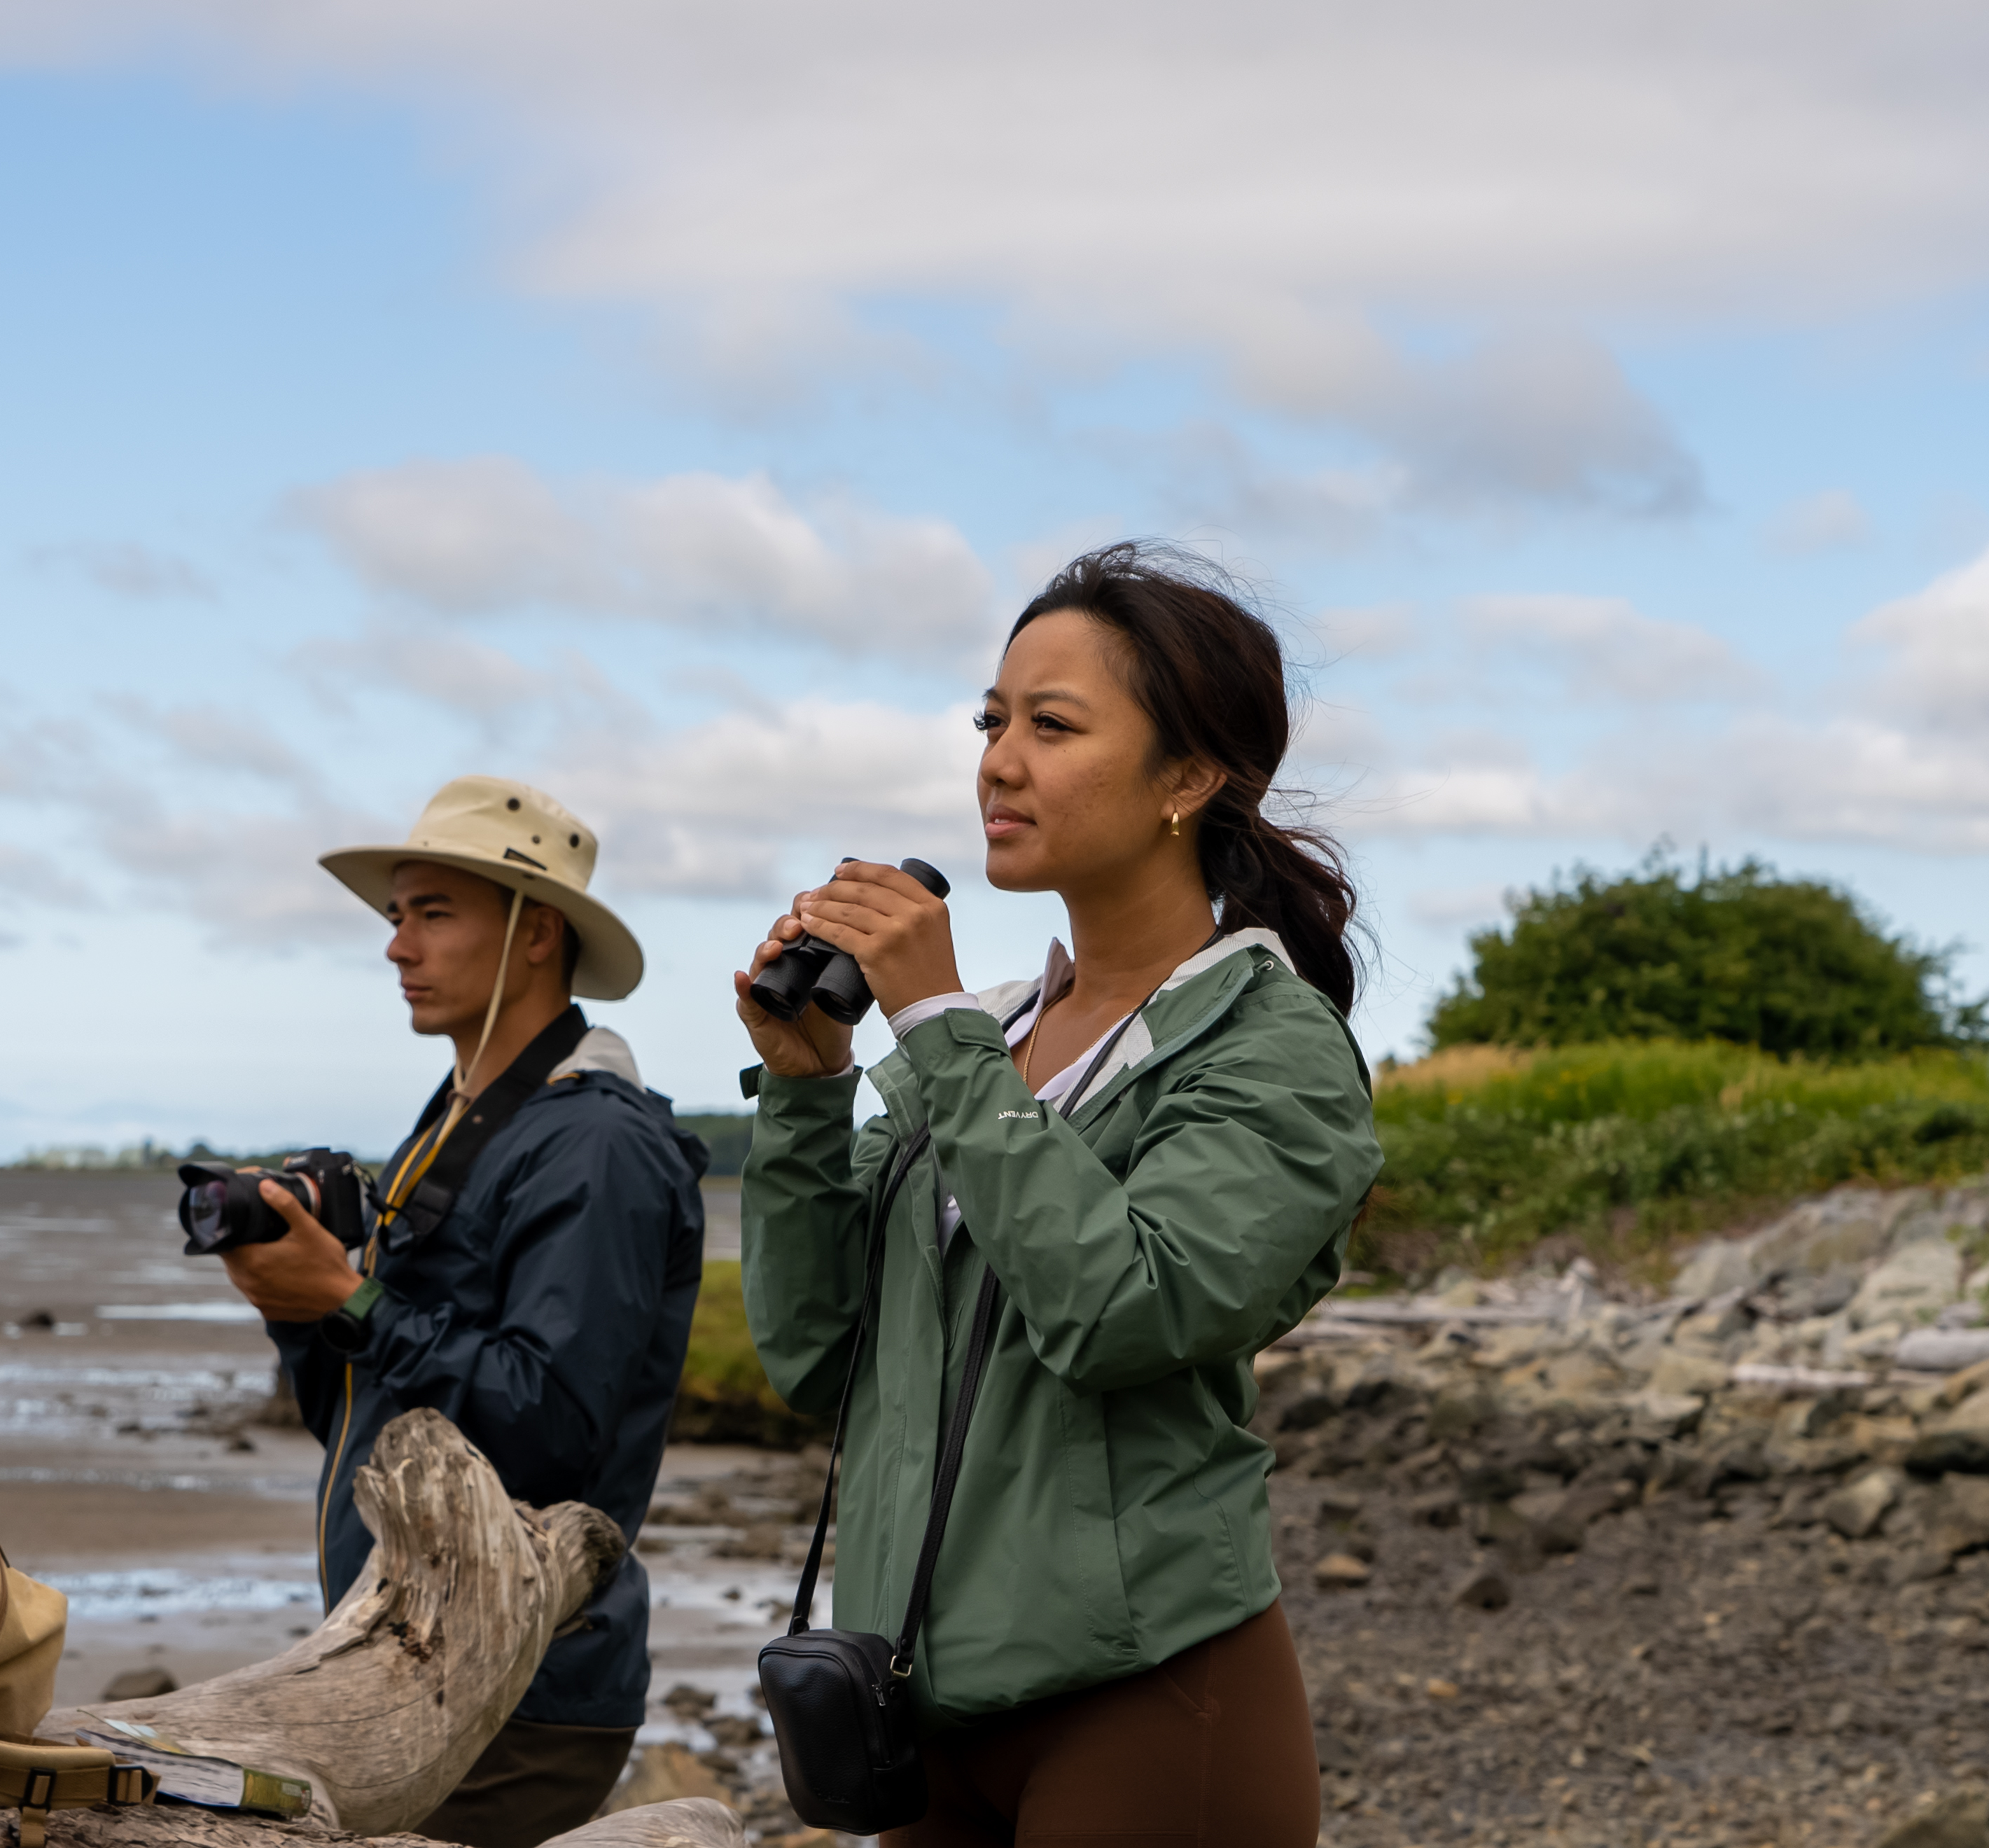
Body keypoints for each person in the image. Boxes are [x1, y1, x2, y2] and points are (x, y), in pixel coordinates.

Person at [734, 543, 1380, 1848]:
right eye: (992, 720)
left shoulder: (1271, 1045)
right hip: (919, 1695)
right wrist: (808, 1093)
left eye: (1053, 725)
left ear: (1190, 779)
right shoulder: (986, 1037)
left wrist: (930, 1020)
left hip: (1147, 1698)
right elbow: (818, 1360)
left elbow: (1121, 1312)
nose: (999, 761)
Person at [218, 775, 708, 1848]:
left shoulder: (595, 1144)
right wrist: (299, 1307)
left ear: (538, 935)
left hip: (518, 1686)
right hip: (417, 1661)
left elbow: (552, 1427)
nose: (398, 947)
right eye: (397, 915)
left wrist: (352, 1303)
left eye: (434, 913)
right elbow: (375, 1433)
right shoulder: (459, 1125)